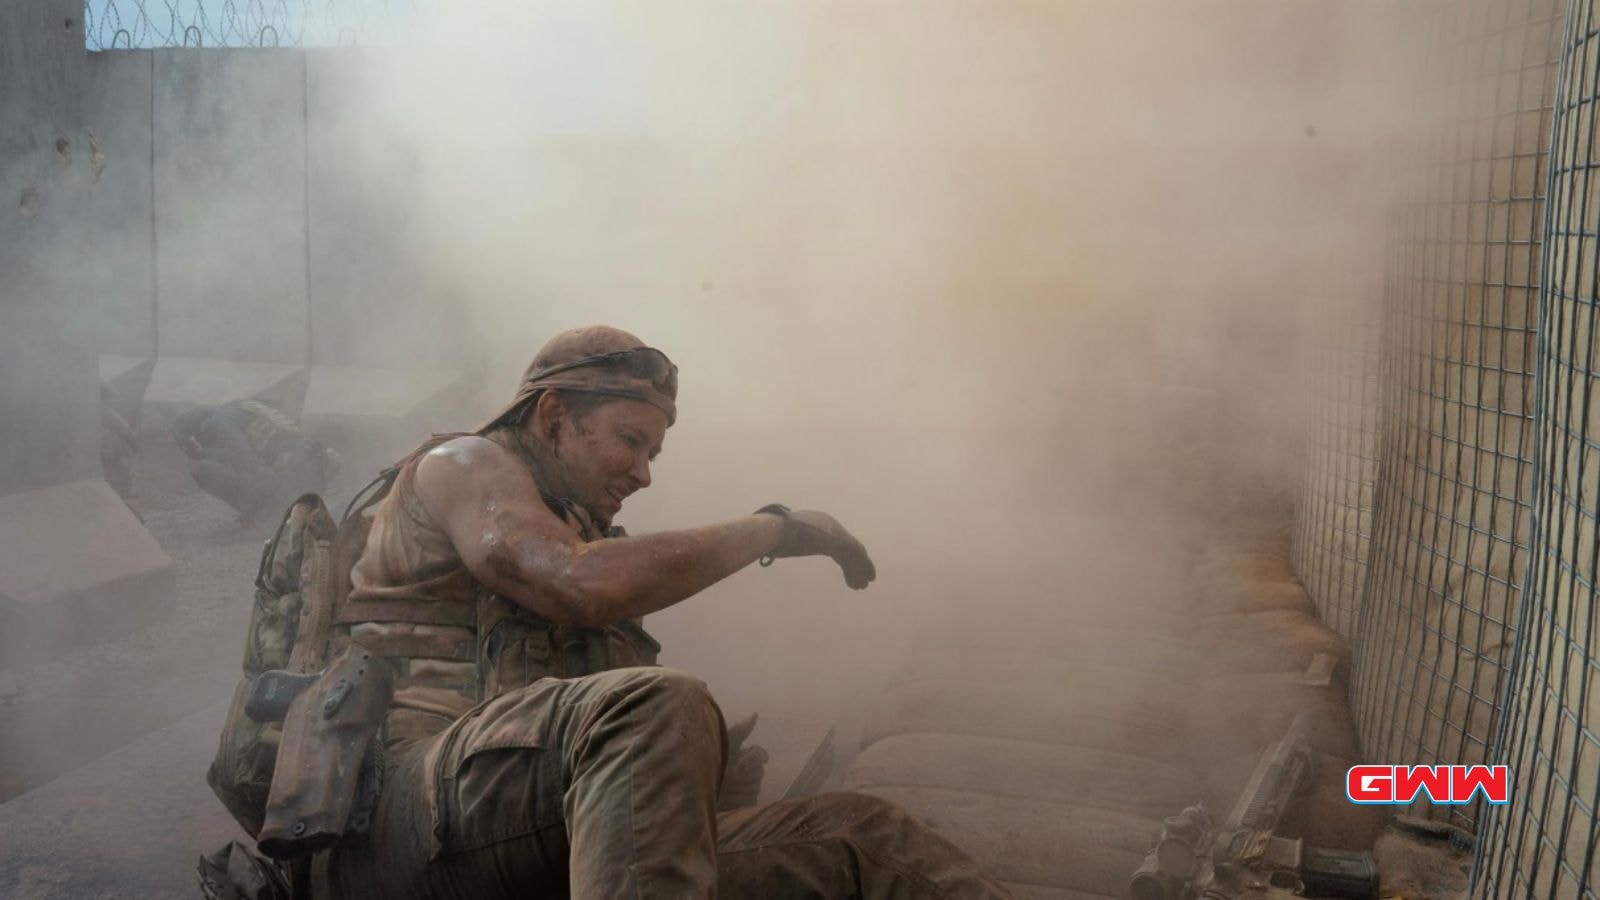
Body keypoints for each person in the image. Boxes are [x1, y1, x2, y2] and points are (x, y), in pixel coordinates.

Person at [309, 325, 1010, 899]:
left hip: (531, 836)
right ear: (554, 416)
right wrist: (777, 529)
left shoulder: (577, 526)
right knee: (655, 704)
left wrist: (695, 774)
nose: (645, 473)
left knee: (867, 841)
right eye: (629, 441)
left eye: (654, 451)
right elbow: (576, 583)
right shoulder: (461, 464)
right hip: (403, 826)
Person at [171, 399, 341, 521]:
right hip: (301, 460)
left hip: (286, 471)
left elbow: (243, 454)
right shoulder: (237, 407)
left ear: (197, 430)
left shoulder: (215, 422)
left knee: (200, 469)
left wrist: (203, 455)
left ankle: (261, 514)